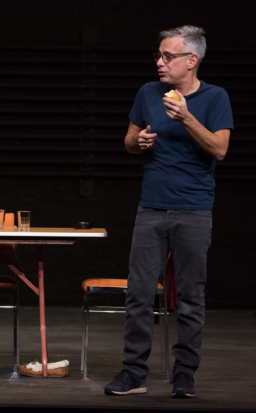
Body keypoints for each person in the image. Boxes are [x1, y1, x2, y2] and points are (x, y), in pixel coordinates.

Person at [104, 26, 233, 398]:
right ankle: (134, 372)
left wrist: (187, 118)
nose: (159, 63)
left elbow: (220, 150)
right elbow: (129, 141)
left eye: (167, 57)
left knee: (191, 296)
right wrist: (137, 141)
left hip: (194, 209)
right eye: (159, 56)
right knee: (139, 294)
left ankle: (184, 373)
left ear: (191, 61)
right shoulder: (148, 92)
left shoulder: (214, 97)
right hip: (151, 208)